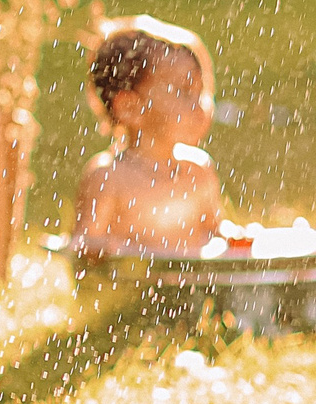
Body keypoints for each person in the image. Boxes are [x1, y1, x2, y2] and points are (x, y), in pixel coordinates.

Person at [74, 15, 222, 258]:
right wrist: (99, 250)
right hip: (126, 292)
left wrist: (234, 237)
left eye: (201, 91)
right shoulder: (109, 177)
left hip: (189, 291)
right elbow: (82, 246)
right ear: (130, 108)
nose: (200, 105)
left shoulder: (199, 171)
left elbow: (215, 235)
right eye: (185, 91)